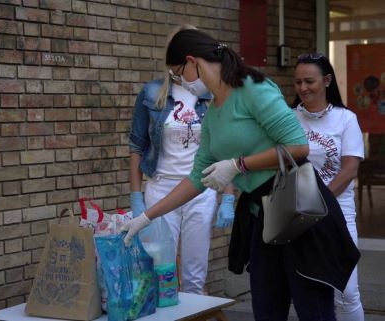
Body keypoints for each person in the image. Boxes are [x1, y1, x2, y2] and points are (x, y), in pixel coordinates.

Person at [122, 28, 360, 321]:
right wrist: (147, 216)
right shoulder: (212, 113)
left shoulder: (253, 87)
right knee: (267, 309)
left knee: (314, 310)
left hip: (298, 210)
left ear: (192, 61)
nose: (178, 81)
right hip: (263, 218)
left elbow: (298, 147)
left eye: (177, 73)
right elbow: (197, 178)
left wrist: (238, 165)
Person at [129, 25, 235, 295]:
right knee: (159, 272)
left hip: (201, 191)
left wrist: (229, 196)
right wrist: (136, 196)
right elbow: (137, 146)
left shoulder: (212, 95)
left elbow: (226, 149)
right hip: (161, 190)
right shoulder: (152, 93)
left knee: (194, 276)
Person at [292, 52, 365, 321]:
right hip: (296, 215)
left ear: (326, 81)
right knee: (310, 291)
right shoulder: (289, 118)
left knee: (346, 292)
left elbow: (350, 169)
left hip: (337, 213)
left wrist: (319, 203)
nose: (302, 88)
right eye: (298, 82)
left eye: (309, 81)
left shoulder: (345, 119)